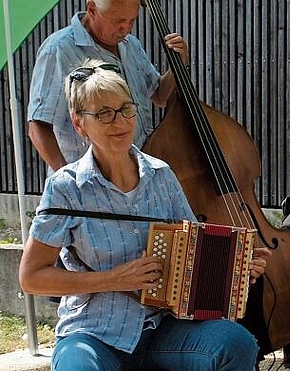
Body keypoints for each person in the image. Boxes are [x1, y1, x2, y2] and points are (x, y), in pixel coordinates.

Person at [18, 59, 268, 371]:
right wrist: (113, 279)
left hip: (165, 329)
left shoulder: (161, 175)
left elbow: (193, 253)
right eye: (104, 113)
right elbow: (31, 278)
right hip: (94, 332)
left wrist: (235, 270)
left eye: (126, 109)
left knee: (235, 344)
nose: (119, 122)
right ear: (80, 123)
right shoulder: (66, 188)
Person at [27, 0, 189, 173]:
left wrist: (178, 64)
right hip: (89, 181)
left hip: (136, 174)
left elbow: (159, 96)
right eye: (118, 20)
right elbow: (38, 126)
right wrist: (67, 178)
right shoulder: (59, 49)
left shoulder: (130, 45)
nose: (126, 29)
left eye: (132, 20)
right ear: (92, 9)